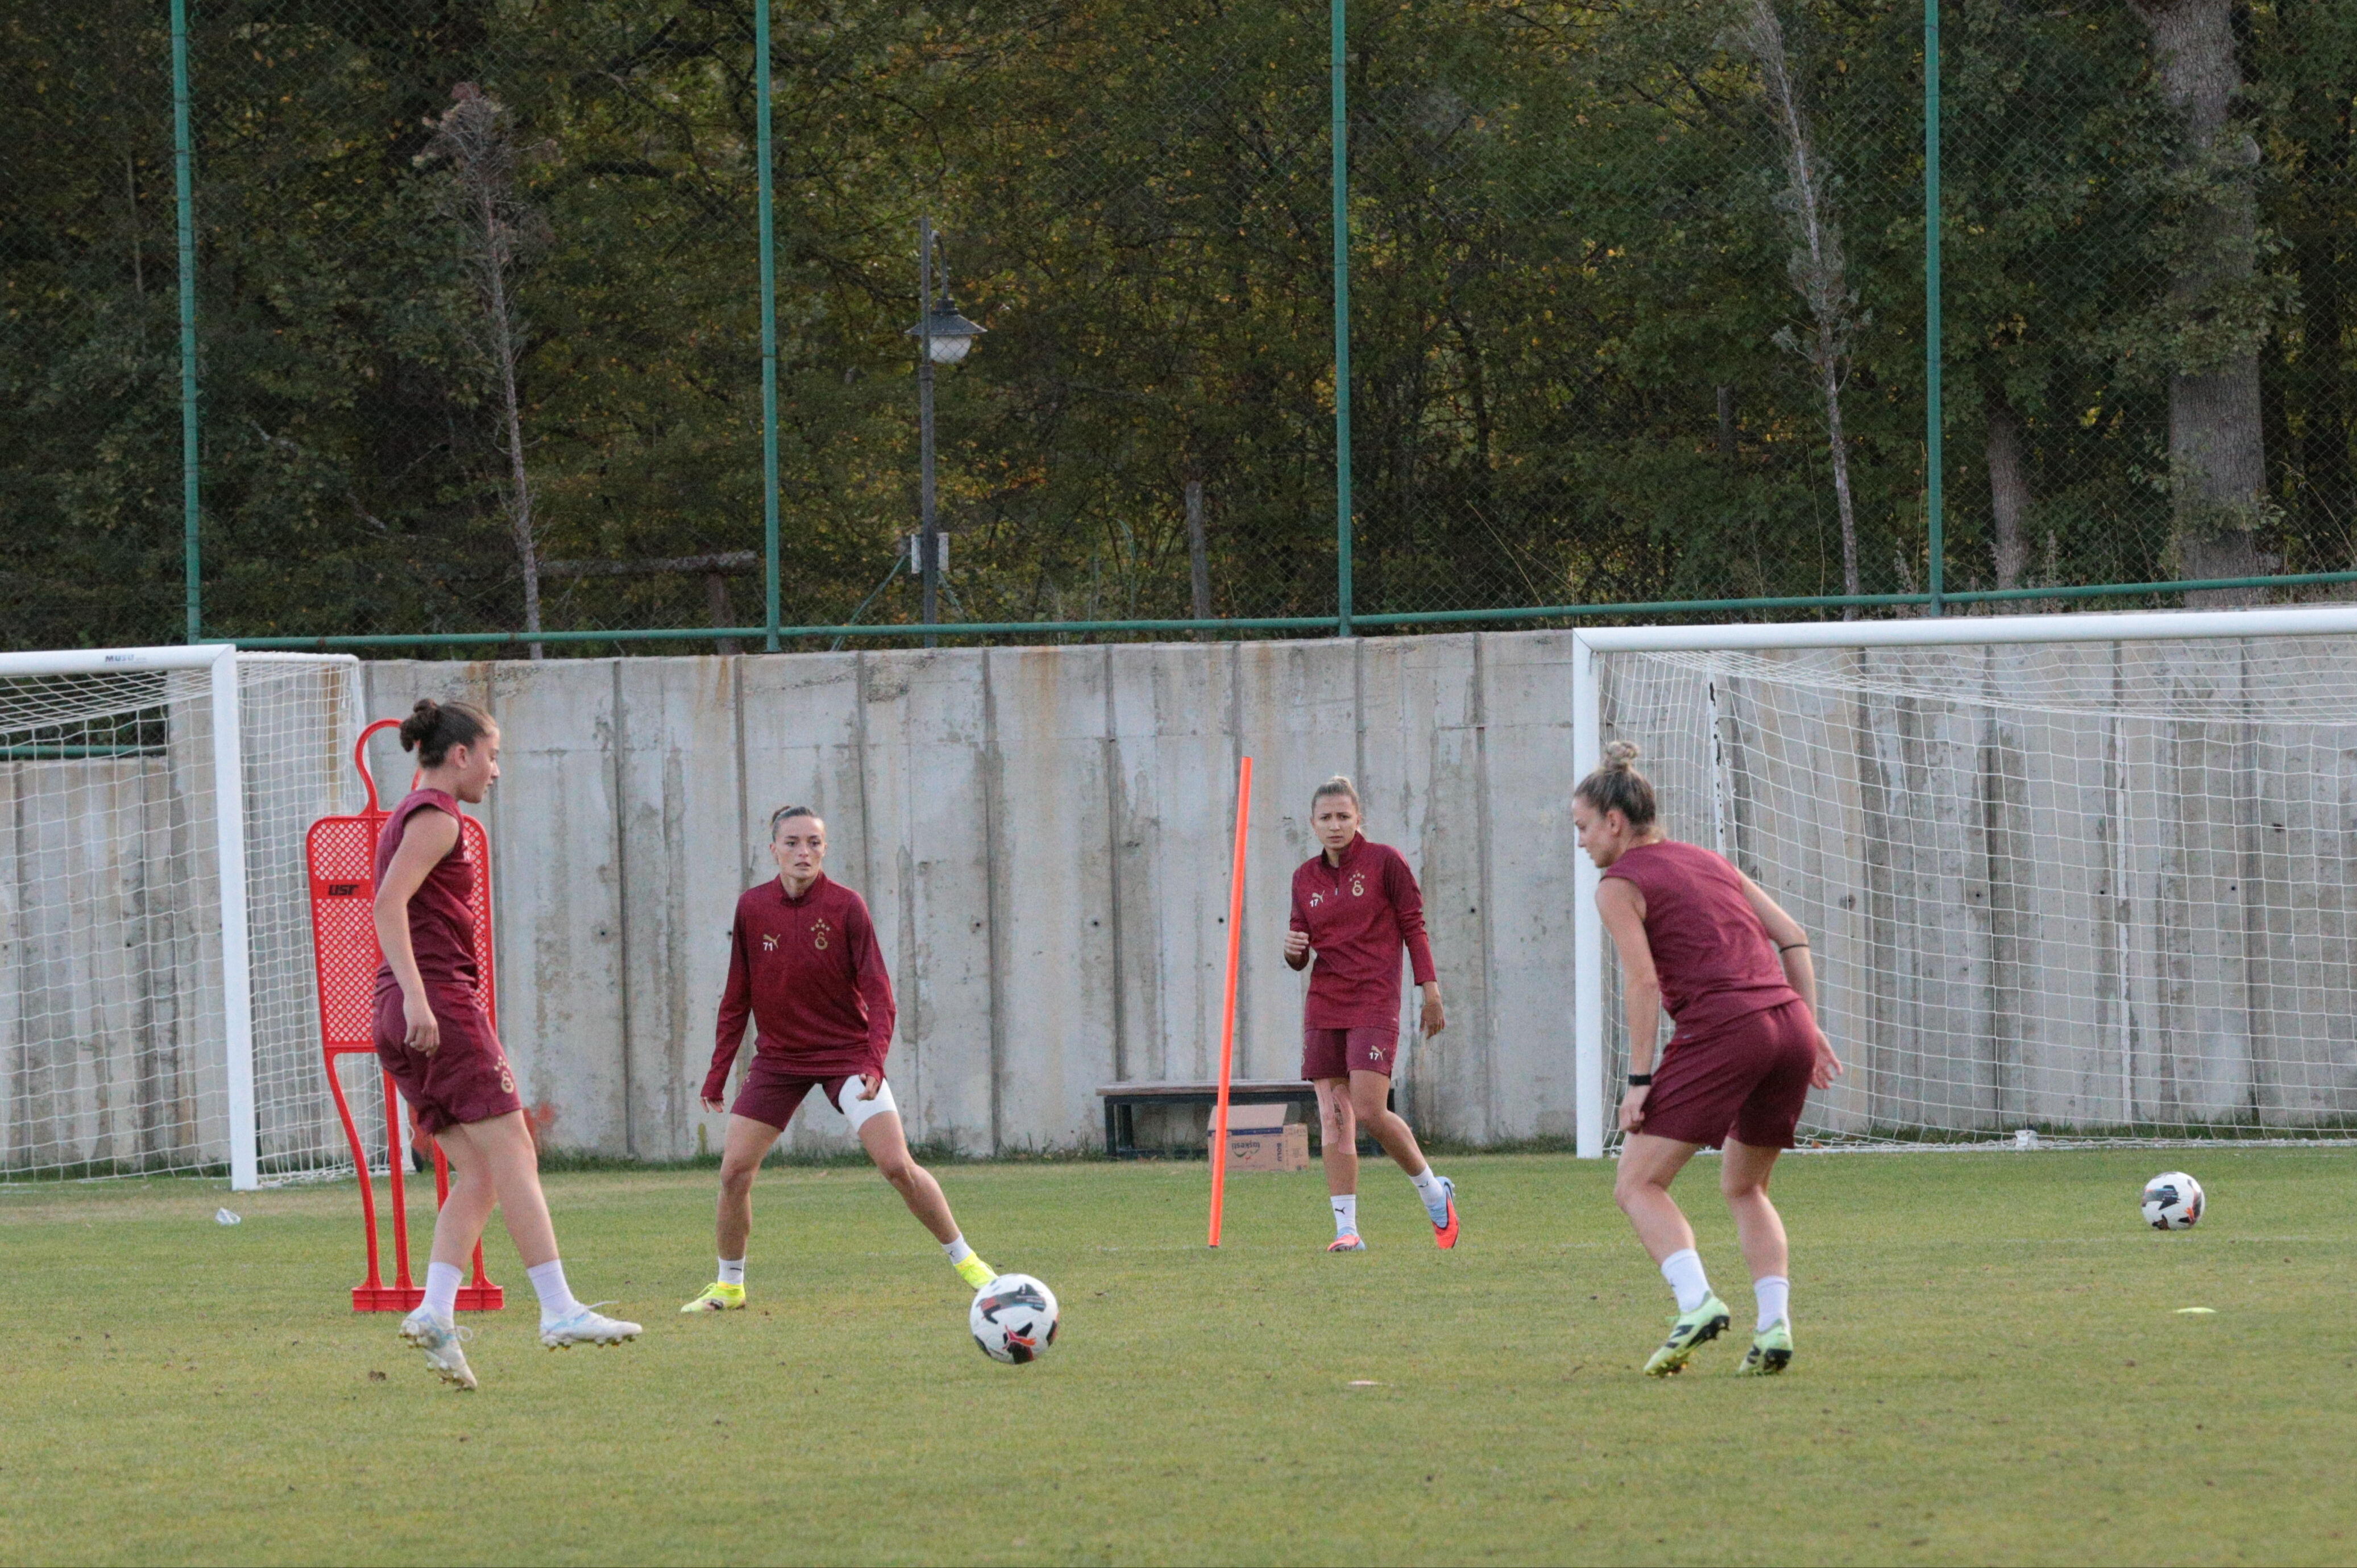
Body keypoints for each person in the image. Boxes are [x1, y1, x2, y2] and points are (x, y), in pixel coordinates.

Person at [374, 699, 641, 1391]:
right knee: (516, 1147)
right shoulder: (436, 817)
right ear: (460, 753)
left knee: (481, 1174)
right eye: (493, 755)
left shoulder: (410, 815)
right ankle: (558, 1309)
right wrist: (422, 998)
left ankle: (434, 1310)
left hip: (401, 1011)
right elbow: (386, 904)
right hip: (436, 1006)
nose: (497, 770)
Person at [1573, 741, 1843, 1377]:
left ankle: (1695, 1302)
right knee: (1745, 1185)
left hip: (1728, 1028)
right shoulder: (1708, 859)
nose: (1581, 842)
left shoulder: (1618, 884)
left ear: (1614, 822)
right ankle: (1774, 1326)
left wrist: (1639, 1080)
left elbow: (1642, 985)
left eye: (1583, 827)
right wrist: (1808, 1019)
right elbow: (1793, 933)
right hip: (1787, 1023)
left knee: (1638, 1182)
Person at [680, 805, 998, 1313]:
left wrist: (874, 1061)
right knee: (734, 1171)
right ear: (774, 850)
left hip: (846, 1055)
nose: (803, 852)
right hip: (779, 1060)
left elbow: (879, 990)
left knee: (896, 1165)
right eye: (792, 843)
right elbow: (736, 995)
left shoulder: (848, 907)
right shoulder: (751, 908)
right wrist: (719, 1070)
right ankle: (729, 1286)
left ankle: (970, 1264)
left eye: (813, 842)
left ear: (825, 849)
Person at [1283, 776, 1458, 1252]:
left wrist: (1431, 991)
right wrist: (1293, 950)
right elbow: (1300, 952)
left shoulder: (1386, 863)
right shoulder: (1304, 878)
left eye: (1344, 816)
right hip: (1325, 999)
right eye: (1326, 818)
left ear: (1360, 818)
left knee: (1368, 1109)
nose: (1335, 825)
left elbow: (1413, 926)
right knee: (1333, 1116)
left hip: (1375, 998)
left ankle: (1433, 1191)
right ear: (1313, 824)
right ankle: (1347, 1230)